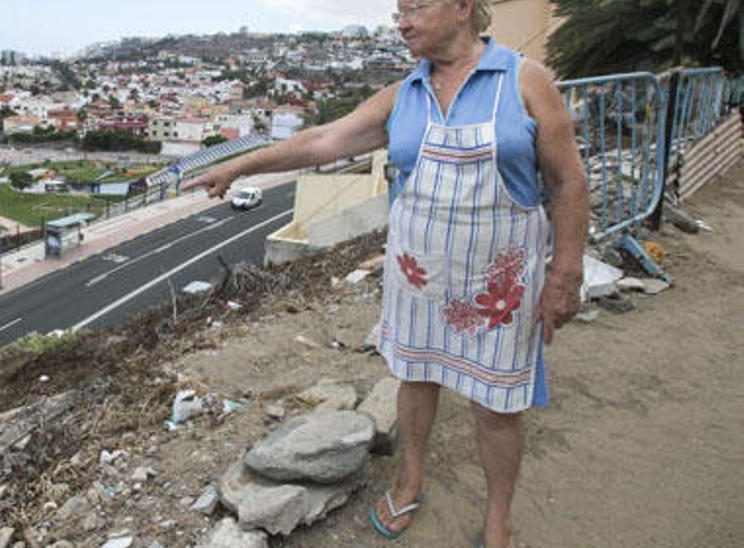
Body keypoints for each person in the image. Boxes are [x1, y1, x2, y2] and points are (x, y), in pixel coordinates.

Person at [182, 1, 588, 546]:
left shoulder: (524, 81)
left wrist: (566, 273)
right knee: (415, 380)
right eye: (399, 10)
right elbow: (322, 140)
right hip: (417, 280)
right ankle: (410, 479)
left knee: (495, 405)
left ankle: (498, 517)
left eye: (416, 6)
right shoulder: (404, 96)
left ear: (464, 6)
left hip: (498, 288)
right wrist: (238, 164)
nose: (402, 21)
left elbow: (568, 183)